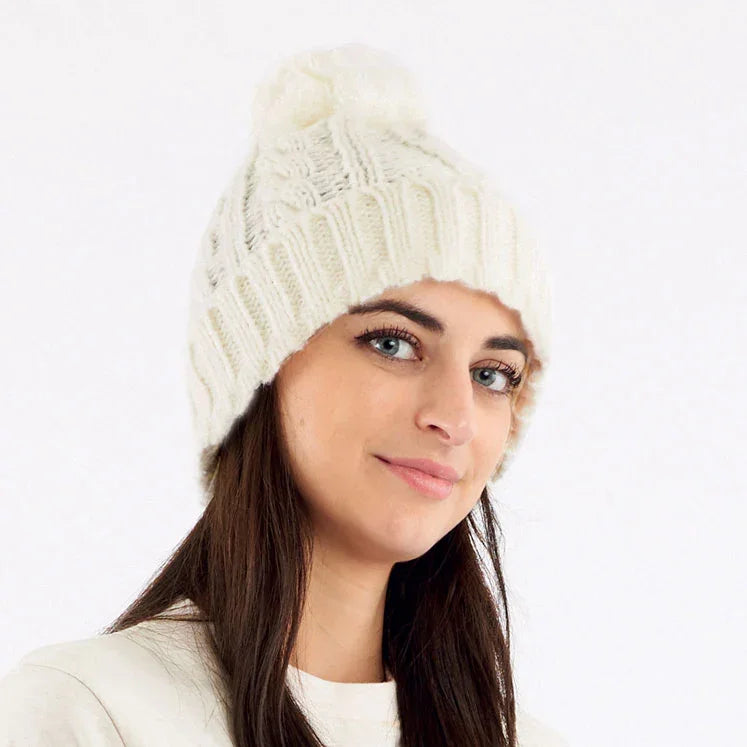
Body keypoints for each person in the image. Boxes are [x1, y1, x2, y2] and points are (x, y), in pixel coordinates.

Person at [0, 43, 568, 746]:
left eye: (493, 375)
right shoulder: (93, 711)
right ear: (257, 365)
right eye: (393, 343)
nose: (453, 417)